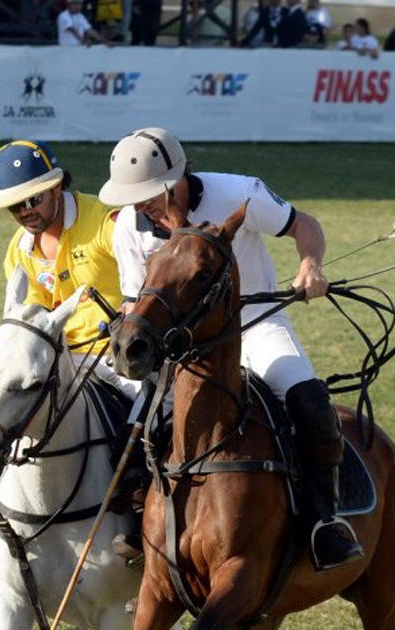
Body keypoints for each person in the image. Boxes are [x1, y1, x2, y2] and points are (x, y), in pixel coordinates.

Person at [98, 127, 364, 572]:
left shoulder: (240, 193)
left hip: (255, 327)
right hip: (180, 345)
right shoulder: (128, 225)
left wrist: (310, 265)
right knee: (133, 428)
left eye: (147, 195)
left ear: (176, 179)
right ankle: (144, 523)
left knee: (310, 403)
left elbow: (304, 225)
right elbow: (134, 297)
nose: (140, 206)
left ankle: (323, 522)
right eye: (132, 198)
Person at [0, 139, 134, 585]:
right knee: (5, 418)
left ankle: (144, 522)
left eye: (33, 199)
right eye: (16, 206)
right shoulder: (20, 249)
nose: (26, 211)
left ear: (57, 186)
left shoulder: (107, 223)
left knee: (149, 425)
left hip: (118, 357)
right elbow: (30, 320)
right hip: (61, 360)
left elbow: (146, 279)